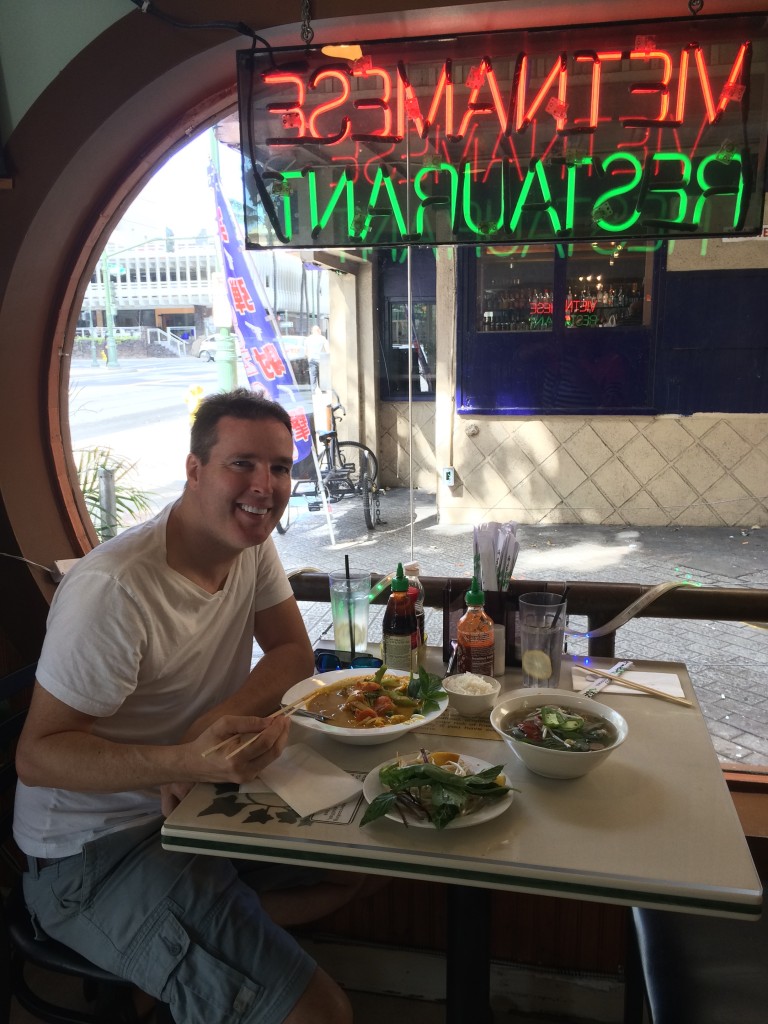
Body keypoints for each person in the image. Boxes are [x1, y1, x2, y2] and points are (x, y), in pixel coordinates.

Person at [13, 388, 368, 1024]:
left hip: (197, 810)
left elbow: (291, 650)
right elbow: (37, 757)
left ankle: (196, 958)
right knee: (321, 1014)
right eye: (243, 464)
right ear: (194, 469)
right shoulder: (113, 590)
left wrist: (203, 733)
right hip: (93, 855)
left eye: (281, 468)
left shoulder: (250, 543)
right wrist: (183, 758)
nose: (266, 486)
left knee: (358, 868)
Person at [305, 324, 328, 391]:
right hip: (321, 359)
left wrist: (307, 356)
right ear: (318, 330)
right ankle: (323, 389)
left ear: (312, 331)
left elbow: (306, 351)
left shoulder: (308, 339)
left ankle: (313, 389)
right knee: (322, 375)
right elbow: (327, 349)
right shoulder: (322, 338)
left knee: (313, 375)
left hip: (311, 359)